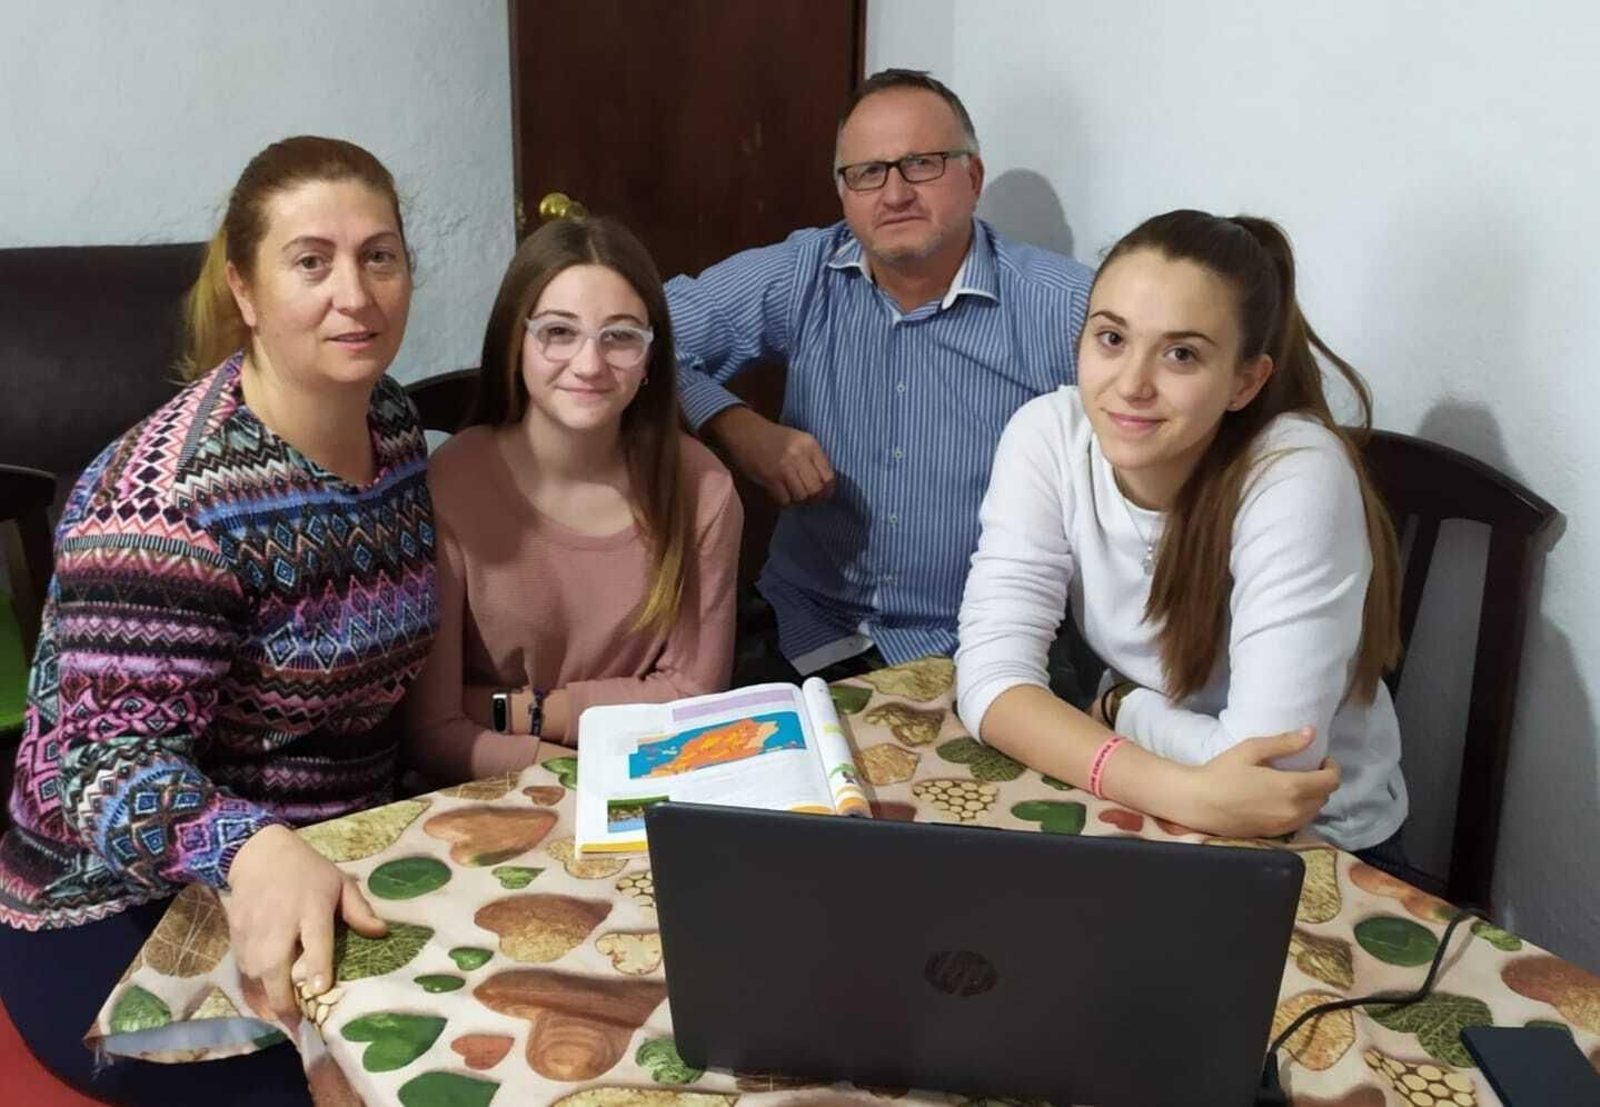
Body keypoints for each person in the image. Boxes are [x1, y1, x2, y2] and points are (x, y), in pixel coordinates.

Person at [0, 136, 437, 1103]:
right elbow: (104, 769)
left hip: (344, 848)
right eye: (311, 261)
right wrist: (249, 845)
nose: (355, 294)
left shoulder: (394, 422)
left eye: (379, 256)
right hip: (122, 908)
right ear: (244, 287)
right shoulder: (163, 505)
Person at [956, 209, 1409, 853]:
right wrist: (1181, 790)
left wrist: (1125, 708)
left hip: (1319, 839)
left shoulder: (1296, 471)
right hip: (1151, 801)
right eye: (1112, 338)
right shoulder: (1048, 434)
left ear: (1245, 382)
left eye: (1181, 354)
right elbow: (990, 680)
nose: (1131, 385)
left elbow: (1274, 773)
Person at [666, 69, 1094, 684]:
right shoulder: (805, 272)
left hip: (983, 642)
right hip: (805, 623)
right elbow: (642, 332)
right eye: (867, 172)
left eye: (921, 164)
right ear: (844, 193)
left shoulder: (1065, 307)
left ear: (973, 178)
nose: (894, 194)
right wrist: (735, 426)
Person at [401, 216, 741, 780]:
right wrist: (574, 771)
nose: (589, 365)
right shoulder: (450, 482)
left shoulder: (703, 488)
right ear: (516, 342)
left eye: (620, 336)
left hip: (647, 773)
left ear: (651, 358)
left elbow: (691, 699)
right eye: (558, 331)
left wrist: (515, 710)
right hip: (489, 789)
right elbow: (433, 733)